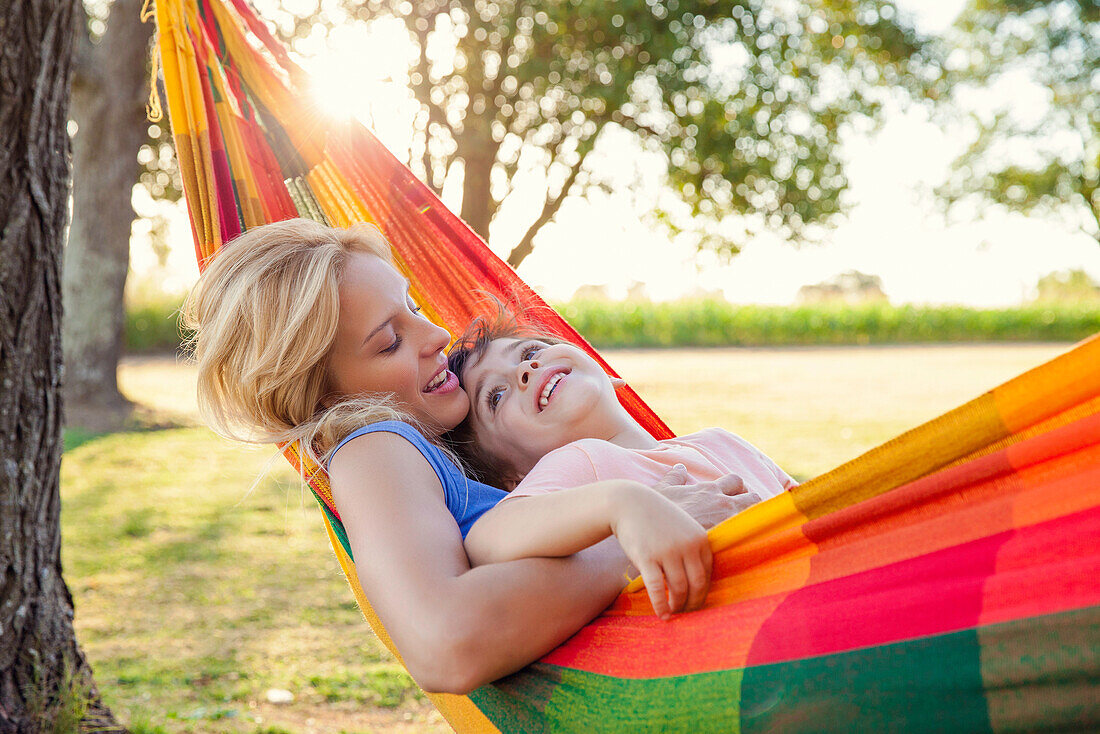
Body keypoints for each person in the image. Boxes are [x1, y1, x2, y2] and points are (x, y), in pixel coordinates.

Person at [184, 218, 752, 694]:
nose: (436, 334)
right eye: (388, 341)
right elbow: (444, 646)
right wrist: (631, 541)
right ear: (329, 394)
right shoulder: (372, 449)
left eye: (413, 306)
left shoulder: (440, 451)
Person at [446, 316, 798, 619]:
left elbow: (819, 514)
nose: (526, 369)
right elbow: (486, 542)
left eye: (530, 352)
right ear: (516, 477)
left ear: (605, 373)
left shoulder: (723, 441)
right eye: (496, 395)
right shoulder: (581, 459)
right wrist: (624, 503)